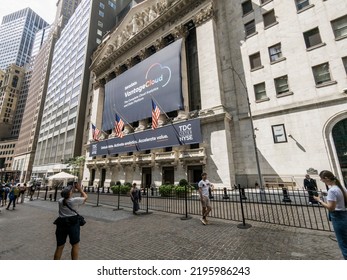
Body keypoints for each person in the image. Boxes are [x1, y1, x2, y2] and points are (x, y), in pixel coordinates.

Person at [313, 170, 347, 260]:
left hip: (338, 217)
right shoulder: (341, 187)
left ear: (327, 178)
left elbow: (331, 208)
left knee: (343, 243)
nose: (321, 181)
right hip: (344, 214)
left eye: (322, 179)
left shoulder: (332, 190)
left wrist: (319, 200)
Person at [53, 182, 88, 260]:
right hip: (73, 224)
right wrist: (80, 190)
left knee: (60, 246)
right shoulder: (74, 201)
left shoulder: (60, 201)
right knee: (75, 245)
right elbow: (85, 197)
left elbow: (76, 199)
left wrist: (72, 190)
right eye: (71, 191)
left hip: (61, 223)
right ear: (70, 193)